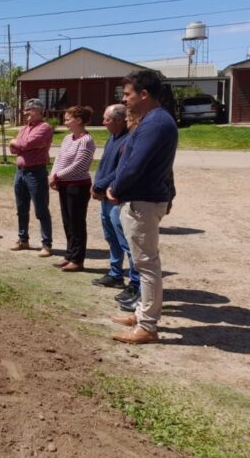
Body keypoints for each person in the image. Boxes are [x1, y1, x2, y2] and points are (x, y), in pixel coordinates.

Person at [108, 70, 178, 344]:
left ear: (144, 94)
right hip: (142, 200)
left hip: (143, 202)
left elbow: (135, 165)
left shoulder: (156, 123)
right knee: (143, 262)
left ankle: (147, 326)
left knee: (146, 265)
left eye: (128, 94)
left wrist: (115, 188)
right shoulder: (153, 121)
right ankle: (141, 314)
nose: (124, 100)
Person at [90, 105, 140, 307]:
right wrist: (97, 184)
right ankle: (115, 274)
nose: (103, 122)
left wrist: (100, 185)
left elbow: (120, 170)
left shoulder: (128, 140)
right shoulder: (112, 138)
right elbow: (104, 166)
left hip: (115, 197)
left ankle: (135, 283)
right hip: (104, 196)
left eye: (107, 119)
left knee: (126, 241)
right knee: (111, 237)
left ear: (119, 120)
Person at [49, 105, 96, 272]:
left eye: (68, 119)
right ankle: (69, 255)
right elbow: (59, 158)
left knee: (77, 223)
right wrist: (53, 175)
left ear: (79, 120)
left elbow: (79, 166)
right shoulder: (68, 138)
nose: (65, 122)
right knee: (67, 222)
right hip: (64, 185)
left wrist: (57, 176)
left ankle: (77, 259)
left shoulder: (86, 140)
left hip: (78, 187)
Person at [8, 99, 54, 255]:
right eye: (25, 109)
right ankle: (23, 240)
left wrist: (16, 142)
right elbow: (14, 150)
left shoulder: (45, 128)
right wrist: (18, 144)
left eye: (29, 109)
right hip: (20, 172)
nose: (25, 112)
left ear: (39, 111)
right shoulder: (24, 128)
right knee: (21, 208)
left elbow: (27, 144)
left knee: (41, 209)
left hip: (36, 172)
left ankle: (46, 244)